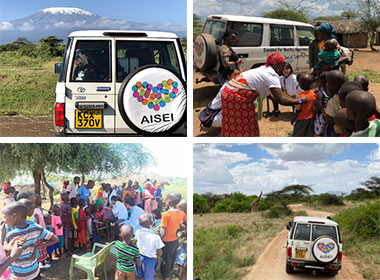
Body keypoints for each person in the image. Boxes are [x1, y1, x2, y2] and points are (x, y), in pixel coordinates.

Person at [221, 52, 307, 137]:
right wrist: (301, 100)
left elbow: (270, 95)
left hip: (227, 93)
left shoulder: (263, 69)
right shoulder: (272, 75)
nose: (283, 69)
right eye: (282, 66)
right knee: (247, 127)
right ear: (276, 66)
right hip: (238, 98)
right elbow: (282, 100)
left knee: (233, 123)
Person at [2, 202, 58, 280]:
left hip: (18, 276)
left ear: (14, 216)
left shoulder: (11, 235)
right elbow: (55, 239)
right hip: (34, 272)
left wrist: (2, 235)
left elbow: (5, 255)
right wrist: (36, 247)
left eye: (5, 217)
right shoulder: (36, 228)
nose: (4, 221)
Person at [160, 192, 187, 280]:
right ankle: (169, 273)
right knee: (171, 259)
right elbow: (186, 224)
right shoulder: (182, 213)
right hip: (175, 241)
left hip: (167, 242)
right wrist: (179, 229)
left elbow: (163, 231)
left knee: (166, 261)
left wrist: (159, 239)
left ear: (169, 202)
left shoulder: (165, 214)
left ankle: (167, 277)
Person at [135, 213, 165, 280]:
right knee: (148, 277)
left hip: (139, 256)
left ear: (139, 224)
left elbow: (137, 240)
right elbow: (159, 252)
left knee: (139, 274)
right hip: (150, 260)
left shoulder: (138, 232)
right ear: (151, 223)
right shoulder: (155, 237)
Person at [323, 70, 347, 135]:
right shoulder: (347, 95)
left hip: (337, 131)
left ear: (332, 85)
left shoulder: (332, 101)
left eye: (327, 82)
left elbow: (329, 120)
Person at [32, 195, 50, 269]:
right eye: (40, 200)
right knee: (41, 247)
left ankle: (42, 262)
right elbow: (38, 222)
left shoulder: (37, 209)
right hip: (39, 232)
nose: (41, 201)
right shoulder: (36, 210)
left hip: (40, 231)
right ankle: (41, 263)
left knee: (41, 247)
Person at [314, 72, 329, 136]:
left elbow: (319, 107)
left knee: (319, 133)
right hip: (327, 115)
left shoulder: (320, 94)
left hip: (320, 117)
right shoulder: (330, 91)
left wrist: (313, 113)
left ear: (321, 82)